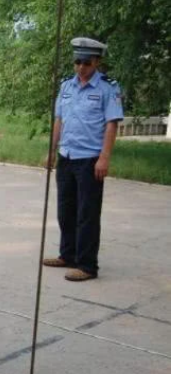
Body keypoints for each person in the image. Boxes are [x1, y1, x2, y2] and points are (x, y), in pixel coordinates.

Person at [43, 37, 124, 282]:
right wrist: (52, 150)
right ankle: (68, 255)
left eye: (86, 63)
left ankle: (87, 265)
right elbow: (59, 120)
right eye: (77, 62)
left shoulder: (107, 88)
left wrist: (104, 158)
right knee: (65, 210)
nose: (81, 67)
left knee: (87, 214)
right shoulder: (67, 86)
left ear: (97, 62)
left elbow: (111, 125)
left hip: (90, 159)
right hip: (67, 156)